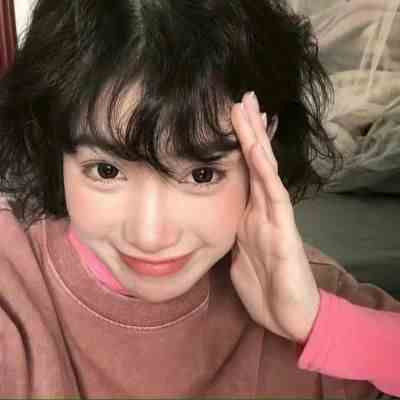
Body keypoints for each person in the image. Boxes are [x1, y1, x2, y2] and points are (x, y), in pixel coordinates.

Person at [0, 0, 399, 398]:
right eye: (106, 171)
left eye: (201, 174)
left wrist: (319, 325)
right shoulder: (12, 283)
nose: (150, 237)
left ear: (263, 144)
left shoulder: (315, 293)